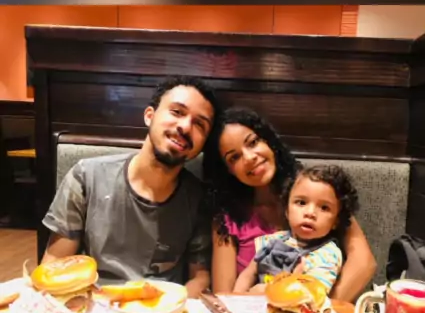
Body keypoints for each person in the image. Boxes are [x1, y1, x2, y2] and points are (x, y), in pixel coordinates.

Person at [42, 76, 218, 297]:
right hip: (94, 304)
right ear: (149, 116)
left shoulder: (199, 199)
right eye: (177, 112)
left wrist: (172, 305)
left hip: (161, 307)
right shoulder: (86, 177)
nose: (185, 126)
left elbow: (200, 278)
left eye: (200, 124)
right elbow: (54, 267)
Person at [203, 107, 377, 301]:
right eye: (234, 157)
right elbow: (224, 296)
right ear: (228, 170)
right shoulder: (227, 217)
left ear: (268, 141)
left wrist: (315, 309)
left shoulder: (315, 189)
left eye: (253, 142)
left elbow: (364, 262)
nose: (250, 157)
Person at [233, 164, 358, 294]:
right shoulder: (273, 240)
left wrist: (265, 291)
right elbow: (248, 274)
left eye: (324, 208)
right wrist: (236, 297)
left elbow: (312, 293)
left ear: (336, 221)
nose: (310, 213)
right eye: (301, 202)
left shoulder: (327, 255)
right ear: (287, 210)